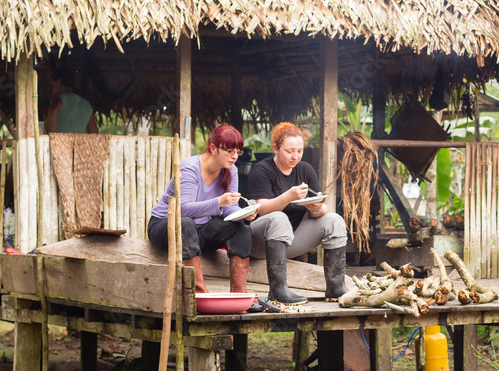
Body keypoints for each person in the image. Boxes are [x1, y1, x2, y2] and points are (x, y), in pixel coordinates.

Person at [244, 123, 348, 303]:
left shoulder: (305, 169)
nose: (295, 156)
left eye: (300, 151)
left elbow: (320, 208)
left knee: (334, 220)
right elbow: (260, 209)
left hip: (290, 238)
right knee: (278, 217)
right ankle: (278, 291)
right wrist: (289, 196)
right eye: (290, 151)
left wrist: (316, 208)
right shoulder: (261, 170)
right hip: (259, 242)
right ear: (276, 149)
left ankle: (336, 287)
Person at [147, 125, 256, 294]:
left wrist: (245, 215)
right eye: (229, 151)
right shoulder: (190, 168)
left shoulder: (231, 170)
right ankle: (198, 294)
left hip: (198, 232)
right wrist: (219, 201)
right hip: (166, 226)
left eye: (238, 151)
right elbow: (182, 209)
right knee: (186, 222)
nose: (234, 156)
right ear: (213, 148)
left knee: (240, 228)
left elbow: (229, 209)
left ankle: (240, 294)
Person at [46, 68, 99, 134]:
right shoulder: (86, 104)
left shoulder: (60, 97)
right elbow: (95, 134)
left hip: (58, 143)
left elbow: (52, 111)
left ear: (59, 82)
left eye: (52, 85)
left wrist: (50, 135)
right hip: (77, 144)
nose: (52, 89)